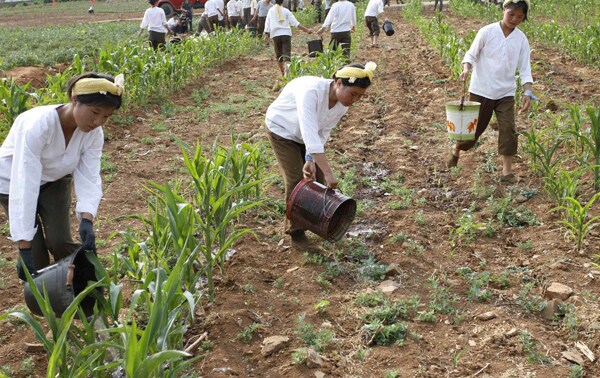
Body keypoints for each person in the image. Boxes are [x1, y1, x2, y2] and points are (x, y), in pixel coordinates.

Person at [0, 72, 124, 281]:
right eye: (94, 112)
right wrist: (24, 248)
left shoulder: (93, 134)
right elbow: (25, 183)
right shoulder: (38, 126)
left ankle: (84, 288)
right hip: (13, 182)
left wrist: (87, 218)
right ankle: (45, 303)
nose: (98, 121)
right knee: (35, 255)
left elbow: (89, 174)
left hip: (54, 180)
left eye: (106, 116)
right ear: (74, 100)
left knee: (59, 241)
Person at [265, 62, 376, 252]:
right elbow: (309, 130)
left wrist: (310, 158)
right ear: (339, 83)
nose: (355, 99)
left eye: (360, 96)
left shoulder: (342, 104)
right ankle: (296, 233)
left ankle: (318, 225)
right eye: (353, 94)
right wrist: (329, 171)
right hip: (282, 130)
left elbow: (322, 132)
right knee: (297, 182)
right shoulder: (311, 91)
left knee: (318, 181)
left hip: (305, 136)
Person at [448, 0, 533, 183]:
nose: (514, 19)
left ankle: (507, 172)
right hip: (481, 90)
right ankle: (457, 149)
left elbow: (525, 68)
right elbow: (471, 54)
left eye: (520, 17)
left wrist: (527, 92)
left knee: (509, 129)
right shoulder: (487, 32)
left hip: (505, 93)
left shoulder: (521, 40)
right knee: (473, 133)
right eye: (511, 14)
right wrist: (466, 69)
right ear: (504, 10)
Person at [264, 0, 312, 76]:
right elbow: (295, 23)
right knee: (286, 56)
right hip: (286, 34)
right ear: (282, 1)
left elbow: (267, 23)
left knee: (279, 55)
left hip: (275, 35)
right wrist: (307, 30)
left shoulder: (271, 10)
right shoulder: (286, 11)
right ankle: (287, 74)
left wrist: (266, 34)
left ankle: (283, 73)